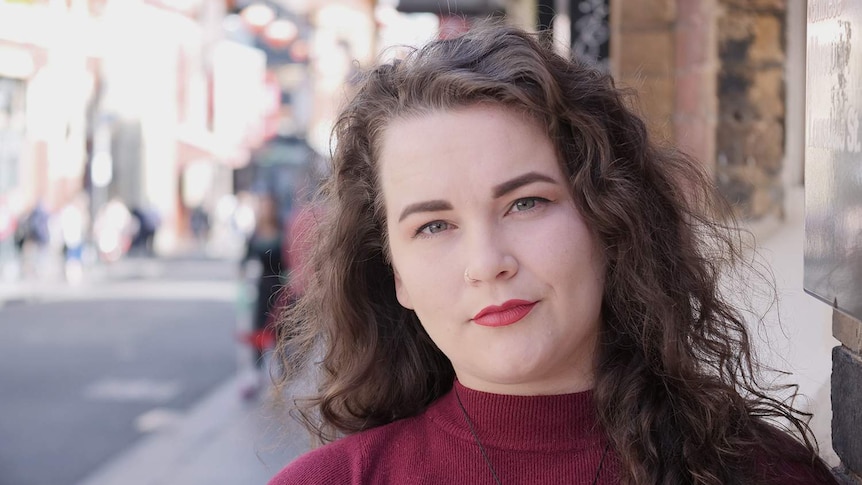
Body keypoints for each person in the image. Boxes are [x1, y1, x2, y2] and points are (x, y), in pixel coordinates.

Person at [268, 22, 838, 485]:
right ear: (396, 277)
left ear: (608, 219)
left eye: (526, 204)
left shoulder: (764, 475)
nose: (488, 261)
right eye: (435, 225)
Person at [238, 193, 284, 398]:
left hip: (281, 287)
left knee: (280, 333)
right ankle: (255, 374)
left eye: (269, 206)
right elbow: (244, 259)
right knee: (258, 331)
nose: (266, 210)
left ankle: (281, 377)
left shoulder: (282, 231)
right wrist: (242, 283)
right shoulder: (255, 233)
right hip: (261, 287)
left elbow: (292, 259)